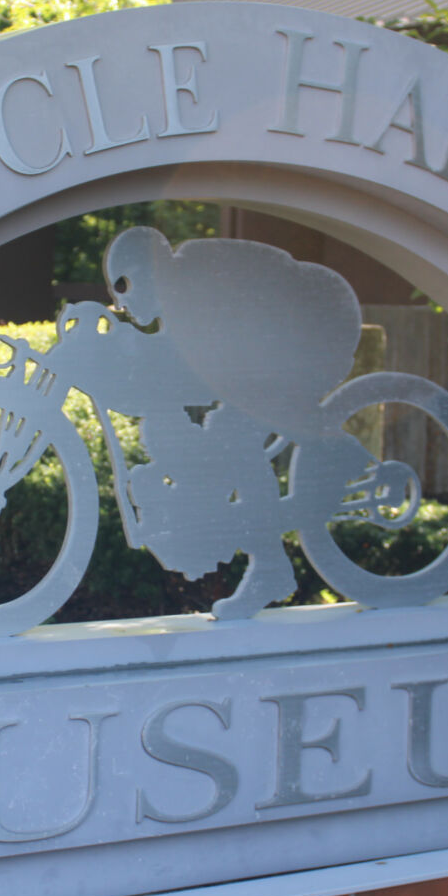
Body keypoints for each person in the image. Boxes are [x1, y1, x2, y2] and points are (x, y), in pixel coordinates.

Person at [41, 227, 365, 619]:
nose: (122, 304)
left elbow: (208, 367)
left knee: (234, 431)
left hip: (320, 329)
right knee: (207, 424)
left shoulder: (195, 283)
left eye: (124, 288)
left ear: (145, 272)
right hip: (285, 335)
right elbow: (179, 360)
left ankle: (271, 566)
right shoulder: (181, 289)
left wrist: (311, 429)